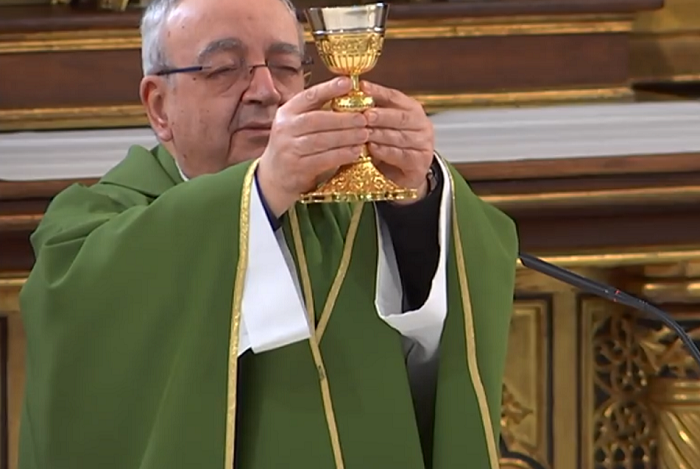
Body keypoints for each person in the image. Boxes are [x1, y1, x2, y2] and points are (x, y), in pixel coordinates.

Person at [17, 0, 518, 467]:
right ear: (159, 106)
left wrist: (418, 198)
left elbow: (446, 332)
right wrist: (261, 191)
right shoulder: (91, 224)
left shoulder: (353, 199)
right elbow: (87, 340)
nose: (266, 90)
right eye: (223, 69)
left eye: (284, 66)